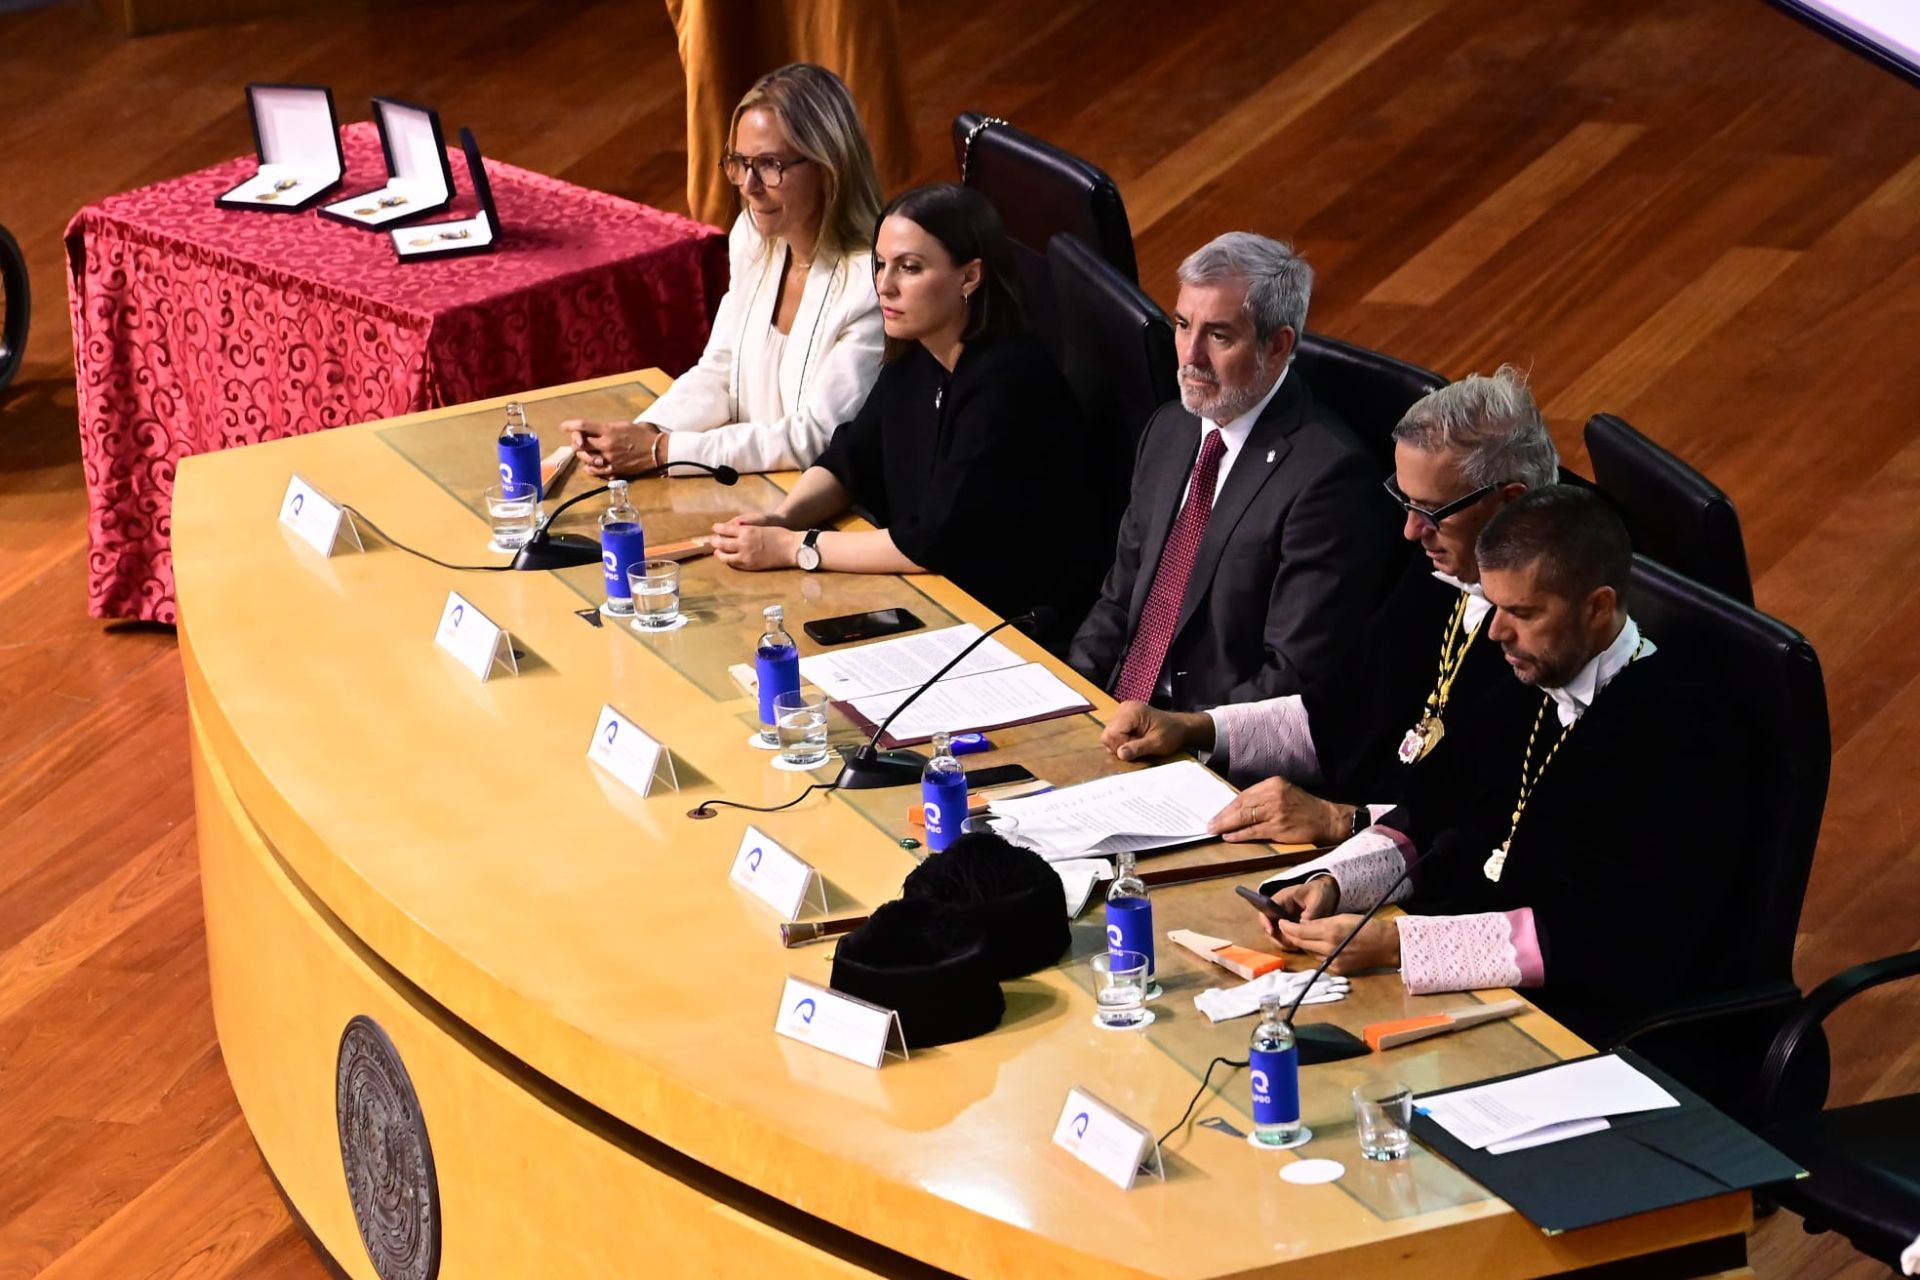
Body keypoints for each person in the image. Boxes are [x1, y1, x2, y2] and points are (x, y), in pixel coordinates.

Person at [1246, 486, 1746, 1048]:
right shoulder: (1527, 684)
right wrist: (1335, 884)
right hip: (1476, 995)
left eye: (1522, 613)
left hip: (1586, 1026)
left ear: (1598, 607)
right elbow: (1429, 816)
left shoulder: (1683, 733)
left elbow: (1613, 936)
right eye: (1494, 605)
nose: (1496, 632)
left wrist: (1400, 946)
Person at [1100, 368, 1560, 845]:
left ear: (1511, 503)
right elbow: (1332, 716)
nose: (1410, 531)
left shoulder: (1547, 644)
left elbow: (1488, 826)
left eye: (1430, 511)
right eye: (1405, 503)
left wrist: (1344, 820)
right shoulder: (1442, 575)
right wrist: (1196, 728)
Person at [706, 183, 1107, 648]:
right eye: (880, 264)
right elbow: (851, 457)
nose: (884, 284)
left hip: (1012, 630)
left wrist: (795, 547)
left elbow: (933, 542)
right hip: (935, 600)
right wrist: (784, 517)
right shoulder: (919, 353)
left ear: (970, 277)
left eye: (909, 268)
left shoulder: (1009, 384)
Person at [1067, 232, 1397, 712]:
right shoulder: (1170, 427)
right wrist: (1070, 696)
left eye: (1219, 336)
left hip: (1206, 735)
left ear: (1278, 345)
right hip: (1119, 711)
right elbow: (1119, 600)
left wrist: (1185, 733)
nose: (1190, 356)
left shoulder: (1329, 479)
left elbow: (1293, 674)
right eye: (1183, 326)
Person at [563, 64, 885, 477]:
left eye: (769, 164)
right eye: (740, 162)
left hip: (824, 499)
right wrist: (646, 431)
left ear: (829, 168)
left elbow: (815, 438)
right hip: (749, 480)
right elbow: (720, 371)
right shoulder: (753, 237)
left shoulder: (871, 285)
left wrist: (662, 451)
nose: (748, 186)